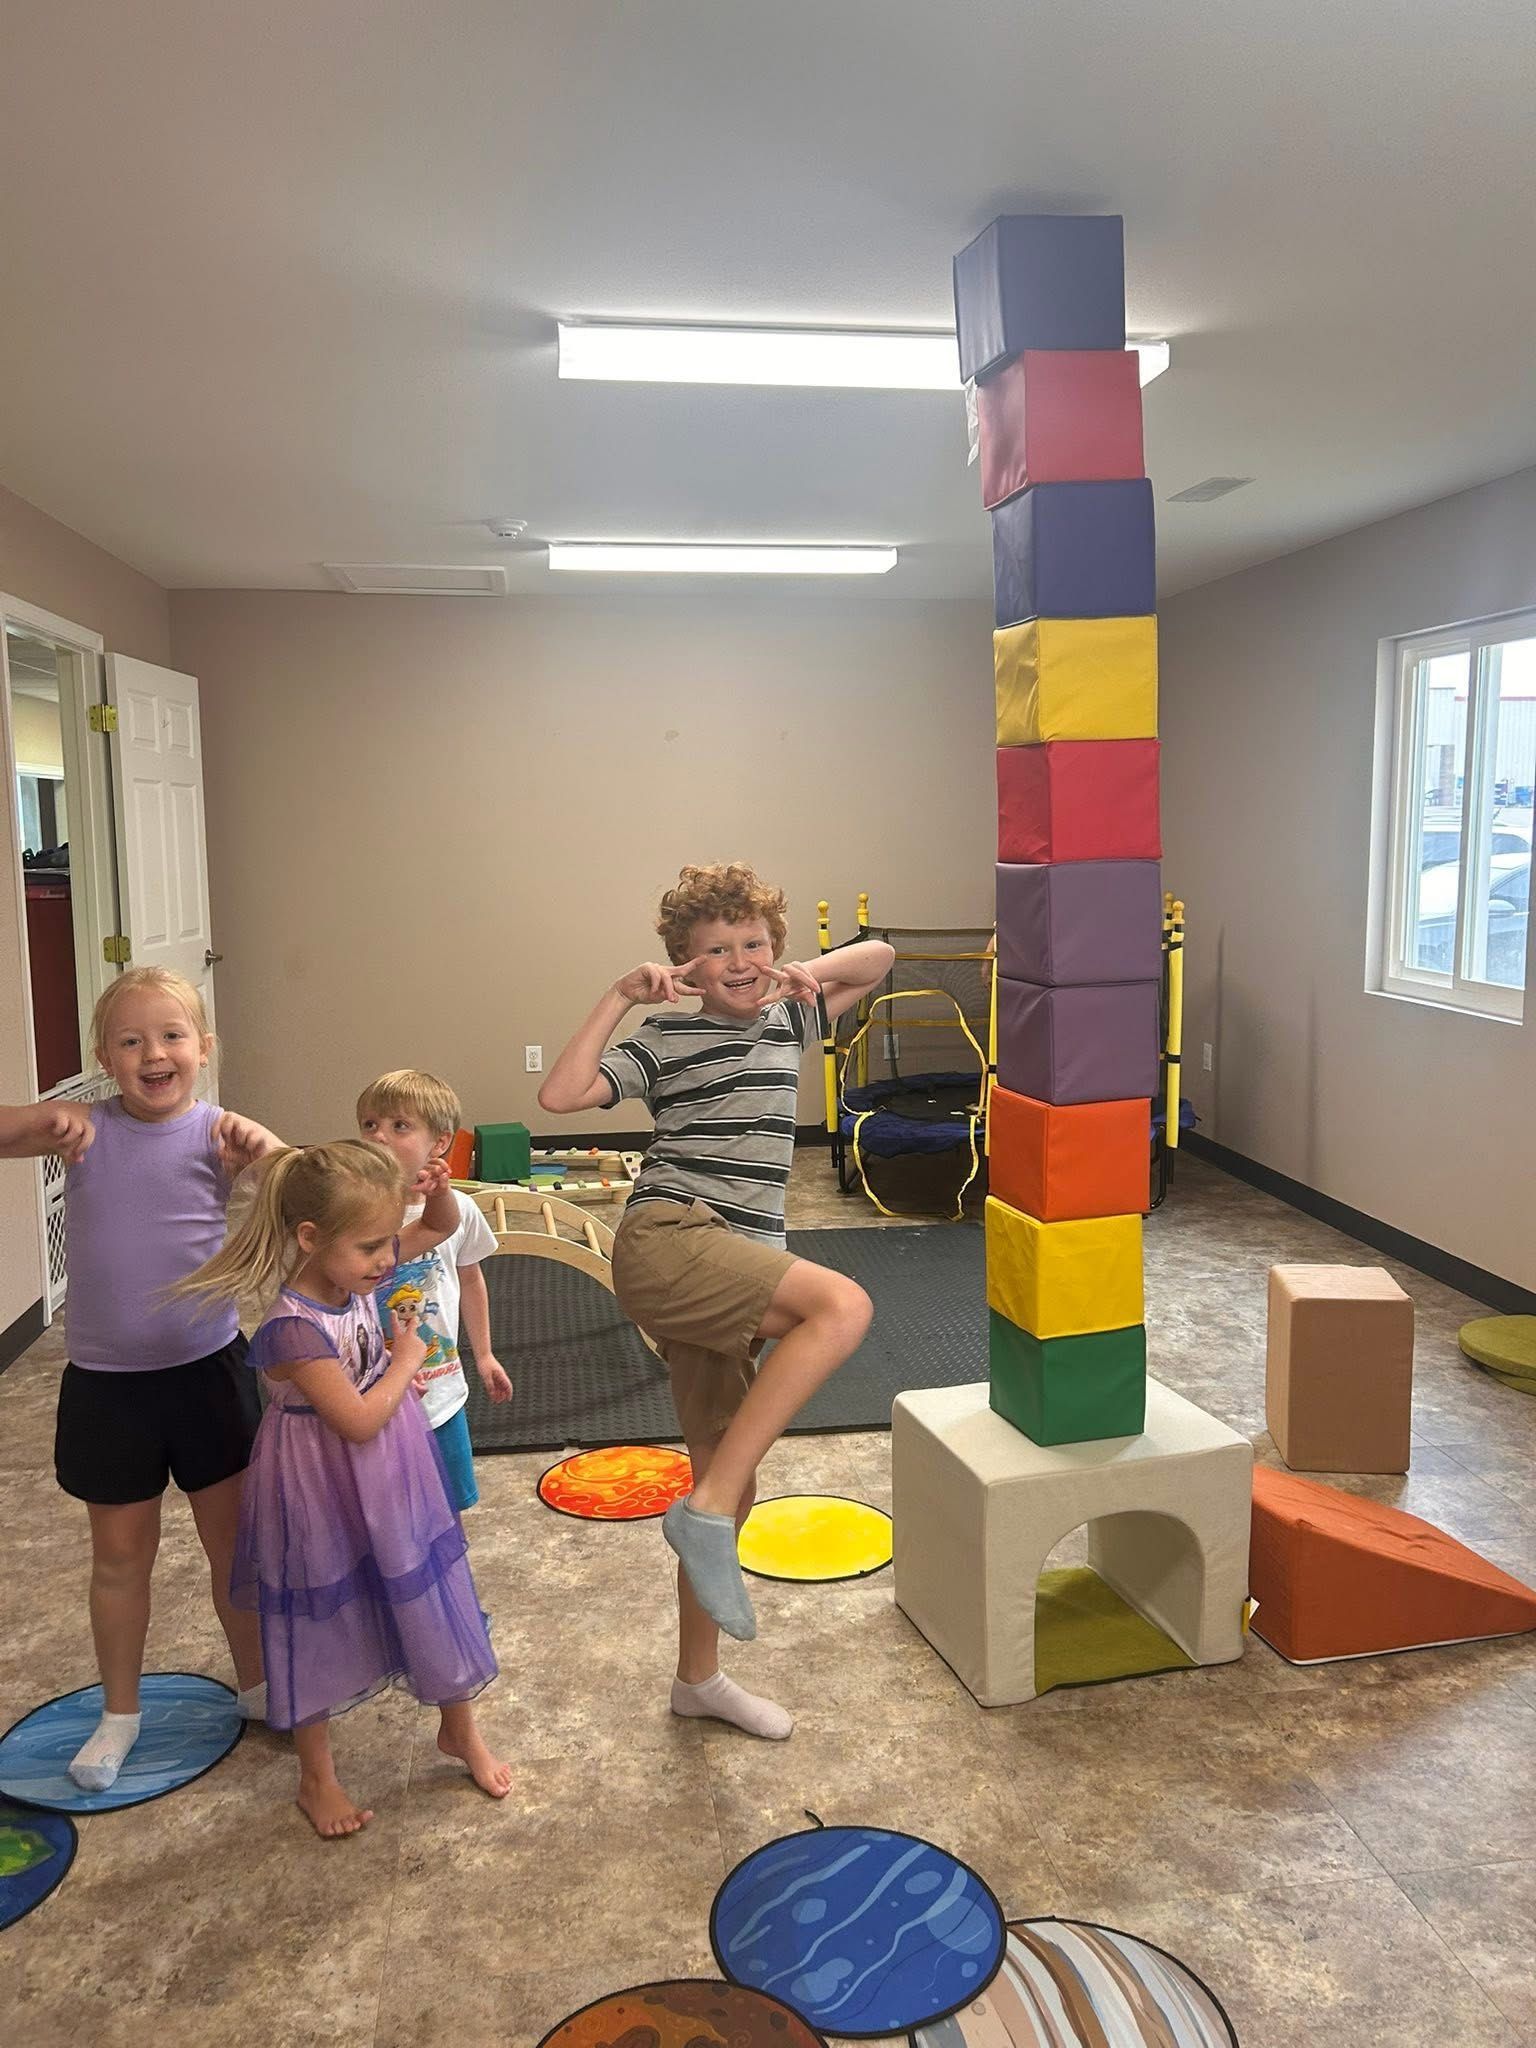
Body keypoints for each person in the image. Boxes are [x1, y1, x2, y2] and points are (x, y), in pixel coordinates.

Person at [538, 861, 894, 1738]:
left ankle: (697, 1679)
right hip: (671, 1239)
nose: (739, 960)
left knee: (724, 1472)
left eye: (754, 944)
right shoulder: (663, 1035)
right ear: (684, 967)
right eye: (715, 950)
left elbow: (880, 960)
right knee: (841, 1307)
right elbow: (561, 1094)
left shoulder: (789, 1015)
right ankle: (698, 1517)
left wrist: (811, 970)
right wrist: (618, 998)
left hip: (737, 1257)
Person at [174, 1138, 510, 1837]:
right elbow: (355, 1421)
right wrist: (406, 1358)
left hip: (390, 1468)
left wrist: (390, 1358)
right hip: (321, 1480)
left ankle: (459, 1729)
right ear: (309, 1238)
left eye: (391, 1241)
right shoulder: (291, 1327)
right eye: (372, 1248)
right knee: (318, 1613)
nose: (389, 1261)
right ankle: (316, 1776)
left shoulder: (352, 1275)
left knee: (428, 1583)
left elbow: (441, 1227)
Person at [1, 966, 283, 1792]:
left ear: (204, 1048)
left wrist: (267, 1154)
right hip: (108, 1387)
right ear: (103, 1057)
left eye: (170, 1036)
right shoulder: (81, 1130)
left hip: (207, 1375)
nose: (153, 1053)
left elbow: (307, 1187)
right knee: (120, 1556)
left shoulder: (220, 1134)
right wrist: (46, 1118)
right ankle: (119, 1713)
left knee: (232, 1544)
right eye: (130, 1041)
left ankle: (262, 1687)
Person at [357, 1068, 513, 1513]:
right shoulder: (353, 1210)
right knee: (383, 1508)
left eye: (399, 1125)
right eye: (370, 1124)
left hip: (442, 1387)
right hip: (372, 1386)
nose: (379, 1136)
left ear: (440, 1142)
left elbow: (471, 1280)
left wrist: (483, 1355)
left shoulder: (459, 1209)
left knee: (446, 1507)